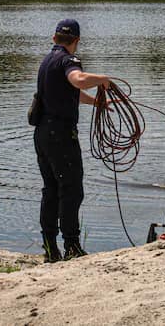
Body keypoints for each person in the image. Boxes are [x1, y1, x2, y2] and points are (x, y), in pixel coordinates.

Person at [33, 19, 111, 262]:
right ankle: (72, 246)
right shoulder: (69, 60)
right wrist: (102, 78)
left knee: (51, 190)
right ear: (76, 41)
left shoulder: (47, 61)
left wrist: (96, 102)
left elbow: (69, 91)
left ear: (54, 38)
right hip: (61, 136)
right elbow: (77, 80)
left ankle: (49, 247)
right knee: (71, 190)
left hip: (42, 134)